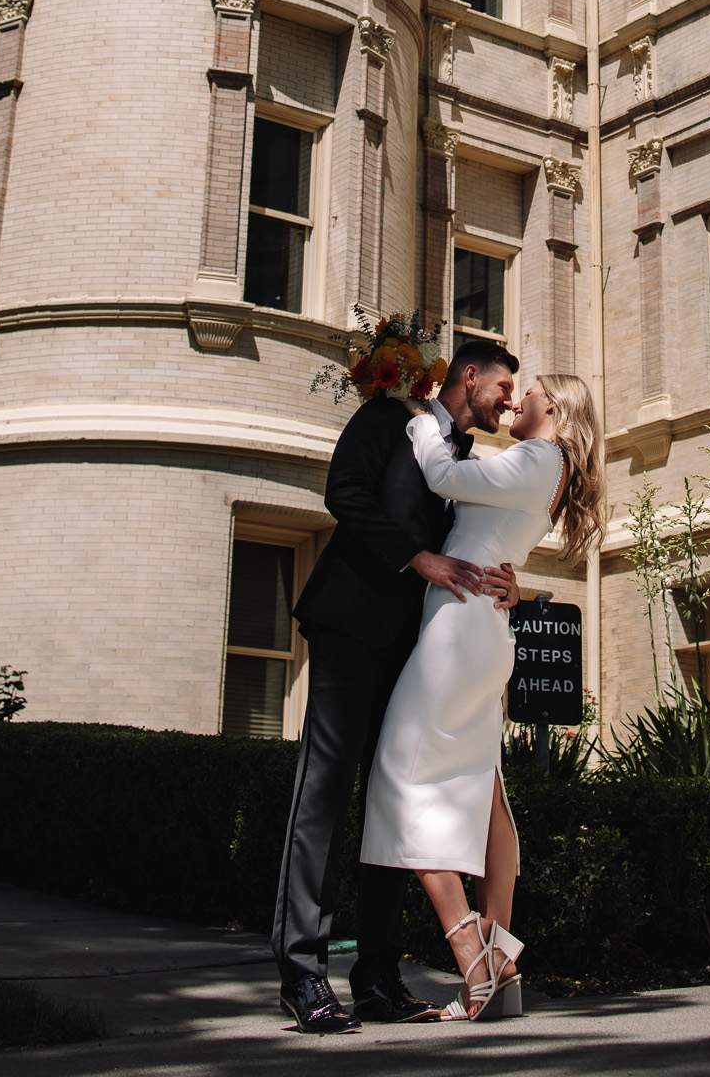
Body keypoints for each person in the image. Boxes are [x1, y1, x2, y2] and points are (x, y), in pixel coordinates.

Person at [271, 338, 521, 1035]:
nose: (508, 401)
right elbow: (344, 493)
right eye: (502, 387)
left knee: (392, 800)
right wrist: (417, 558)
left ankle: (377, 978)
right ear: (468, 377)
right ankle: (302, 974)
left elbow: (478, 550)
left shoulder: (470, 467)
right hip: (350, 625)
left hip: (416, 652)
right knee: (325, 789)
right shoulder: (385, 420)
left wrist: (510, 583)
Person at [361, 372, 605, 1021]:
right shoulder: (548, 468)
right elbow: (491, 532)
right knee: (485, 791)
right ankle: (501, 965)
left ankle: (470, 952)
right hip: (480, 628)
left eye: (528, 394)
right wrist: (514, 584)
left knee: (398, 778)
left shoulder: (538, 456)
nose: (515, 400)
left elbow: (443, 475)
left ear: (551, 409)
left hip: (459, 632)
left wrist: (424, 411)